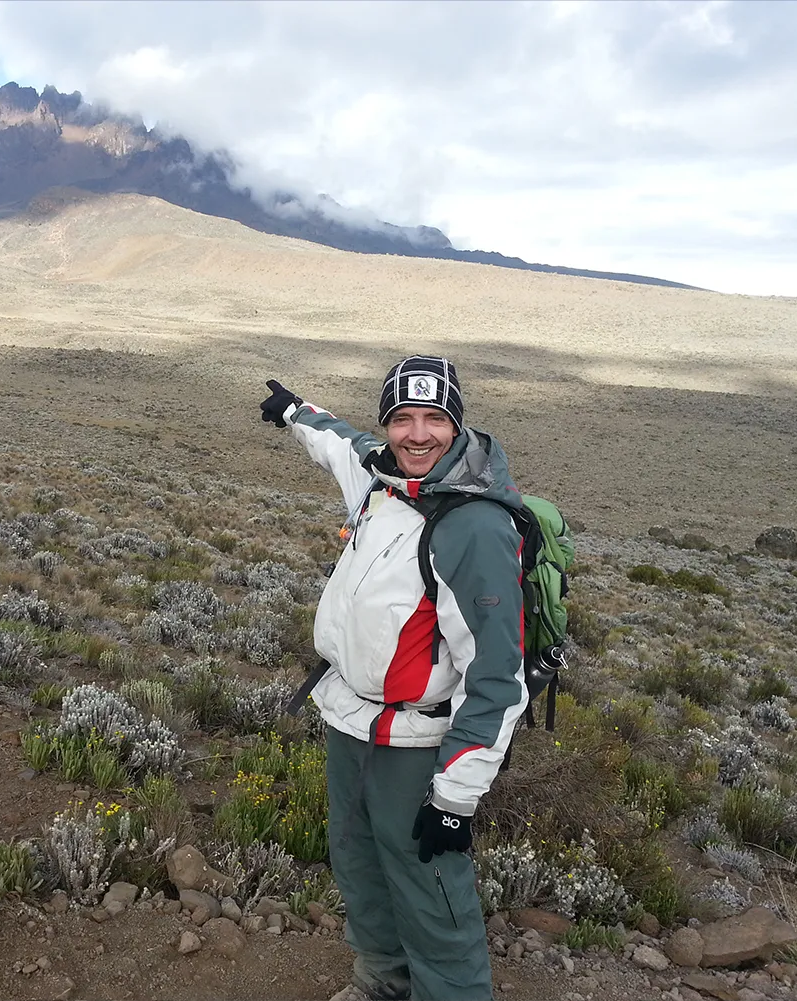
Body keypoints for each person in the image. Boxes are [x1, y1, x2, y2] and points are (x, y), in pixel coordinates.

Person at [259, 356, 529, 1001]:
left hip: (418, 743)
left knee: (430, 886)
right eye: (402, 417)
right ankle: (382, 981)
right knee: (356, 860)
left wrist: (455, 798)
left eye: (434, 418)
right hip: (350, 719)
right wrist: (295, 412)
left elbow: (497, 677)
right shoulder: (382, 481)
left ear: (457, 425)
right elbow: (341, 443)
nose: (417, 434)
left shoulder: (473, 526)